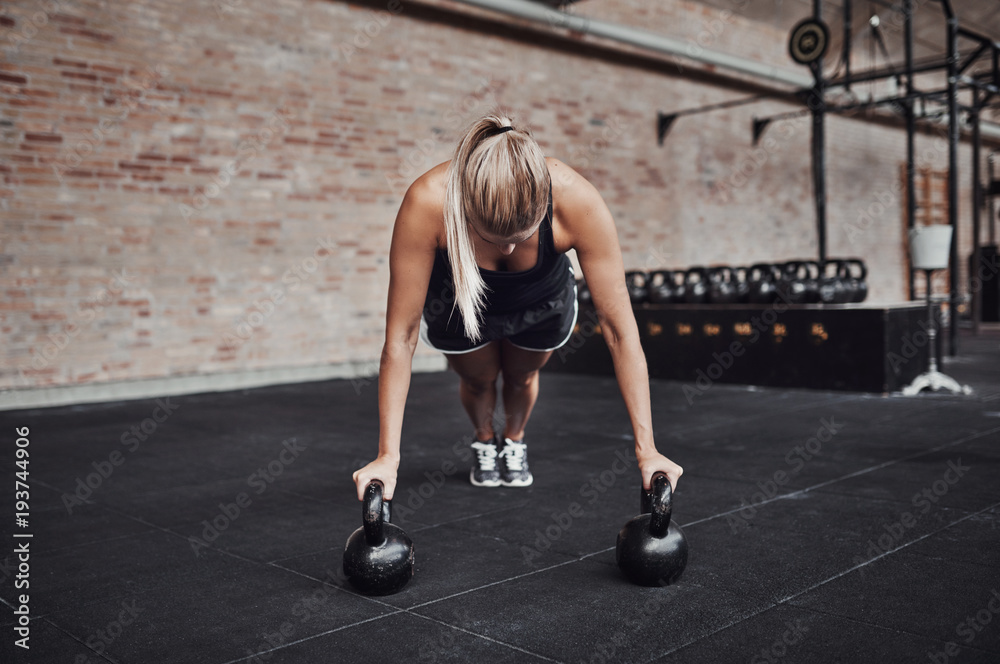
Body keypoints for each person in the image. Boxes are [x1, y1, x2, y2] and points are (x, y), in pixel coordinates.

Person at [353, 111, 682, 502]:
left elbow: (619, 330)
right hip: (459, 302)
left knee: (521, 378)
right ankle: (484, 439)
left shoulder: (575, 199)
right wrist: (387, 457)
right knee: (479, 379)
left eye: (519, 237)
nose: (507, 249)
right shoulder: (428, 201)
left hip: (540, 300)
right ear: (467, 207)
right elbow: (401, 337)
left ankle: (514, 439)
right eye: (493, 238)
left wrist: (648, 449)